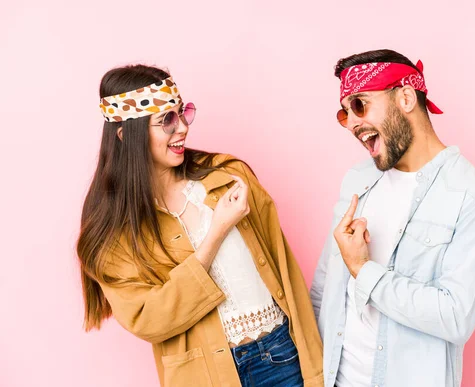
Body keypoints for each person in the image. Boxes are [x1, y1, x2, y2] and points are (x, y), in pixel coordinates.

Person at [77, 64, 323, 387]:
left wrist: (317, 367)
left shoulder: (228, 178)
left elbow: (285, 271)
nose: (182, 129)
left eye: (182, 113)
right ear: (125, 134)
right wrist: (217, 231)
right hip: (203, 377)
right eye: (166, 120)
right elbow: (150, 318)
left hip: (280, 359)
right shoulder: (113, 232)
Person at [310, 49, 475, 387]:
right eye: (344, 114)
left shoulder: (474, 197)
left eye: (359, 105)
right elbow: (324, 290)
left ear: (406, 97)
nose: (352, 123)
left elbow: (456, 317)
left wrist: (364, 271)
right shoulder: (357, 180)